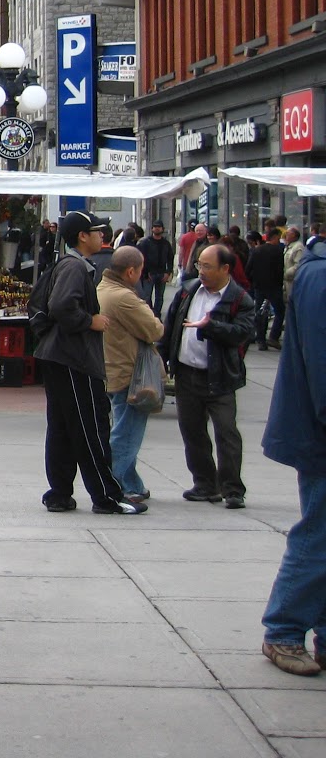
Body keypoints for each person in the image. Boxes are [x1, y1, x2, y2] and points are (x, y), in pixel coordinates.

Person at [37, 210, 144, 515]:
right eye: (97, 231)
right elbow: (61, 305)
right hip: (74, 359)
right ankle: (107, 496)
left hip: (58, 356)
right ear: (82, 236)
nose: (102, 236)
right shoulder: (74, 267)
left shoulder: (70, 264)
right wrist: (90, 321)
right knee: (90, 427)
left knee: (62, 427)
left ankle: (59, 493)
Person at [259, 228, 326, 676]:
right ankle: (283, 630)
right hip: (318, 432)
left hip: (314, 428)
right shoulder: (320, 278)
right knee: (319, 533)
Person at [162, 243, 256, 509]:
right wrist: (163, 355)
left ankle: (232, 489)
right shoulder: (188, 291)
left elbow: (242, 333)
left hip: (220, 376)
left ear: (225, 269)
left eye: (207, 266)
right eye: (199, 264)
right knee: (192, 432)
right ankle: (205, 483)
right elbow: (171, 327)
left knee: (226, 432)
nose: (200, 270)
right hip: (186, 373)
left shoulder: (239, 299)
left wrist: (211, 327)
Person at [99, 245, 164, 505]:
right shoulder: (124, 297)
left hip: (113, 368)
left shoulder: (103, 289)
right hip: (130, 373)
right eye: (140, 270)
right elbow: (154, 329)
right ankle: (114, 484)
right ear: (131, 271)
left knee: (125, 427)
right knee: (127, 432)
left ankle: (131, 483)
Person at [246, 228, 286, 350]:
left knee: (260, 312)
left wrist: (254, 281)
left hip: (259, 286)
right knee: (280, 311)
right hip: (274, 286)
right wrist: (279, 284)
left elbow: (248, 269)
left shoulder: (256, 251)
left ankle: (261, 340)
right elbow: (280, 270)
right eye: (278, 238)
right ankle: (273, 336)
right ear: (274, 238)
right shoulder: (278, 251)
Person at [139, 221, 175, 314]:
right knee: (147, 296)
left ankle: (157, 314)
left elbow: (170, 258)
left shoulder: (166, 243)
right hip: (149, 273)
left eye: (159, 227)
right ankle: (149, 314)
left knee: (160, 296)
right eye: (155, 227)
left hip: (162, 273)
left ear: (162, 229)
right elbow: (142, 258)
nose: (157, 228)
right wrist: (146, 273)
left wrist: (168, 272)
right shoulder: (146, 243)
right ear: (152, 229)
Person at [284, 226, 306, 303]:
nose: (285, 234)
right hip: (286, 282)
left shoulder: (298, 247)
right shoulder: (288, 246)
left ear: (293, 235)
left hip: (293, 281)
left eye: (287, 233)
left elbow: (298, 265)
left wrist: (286, 274)